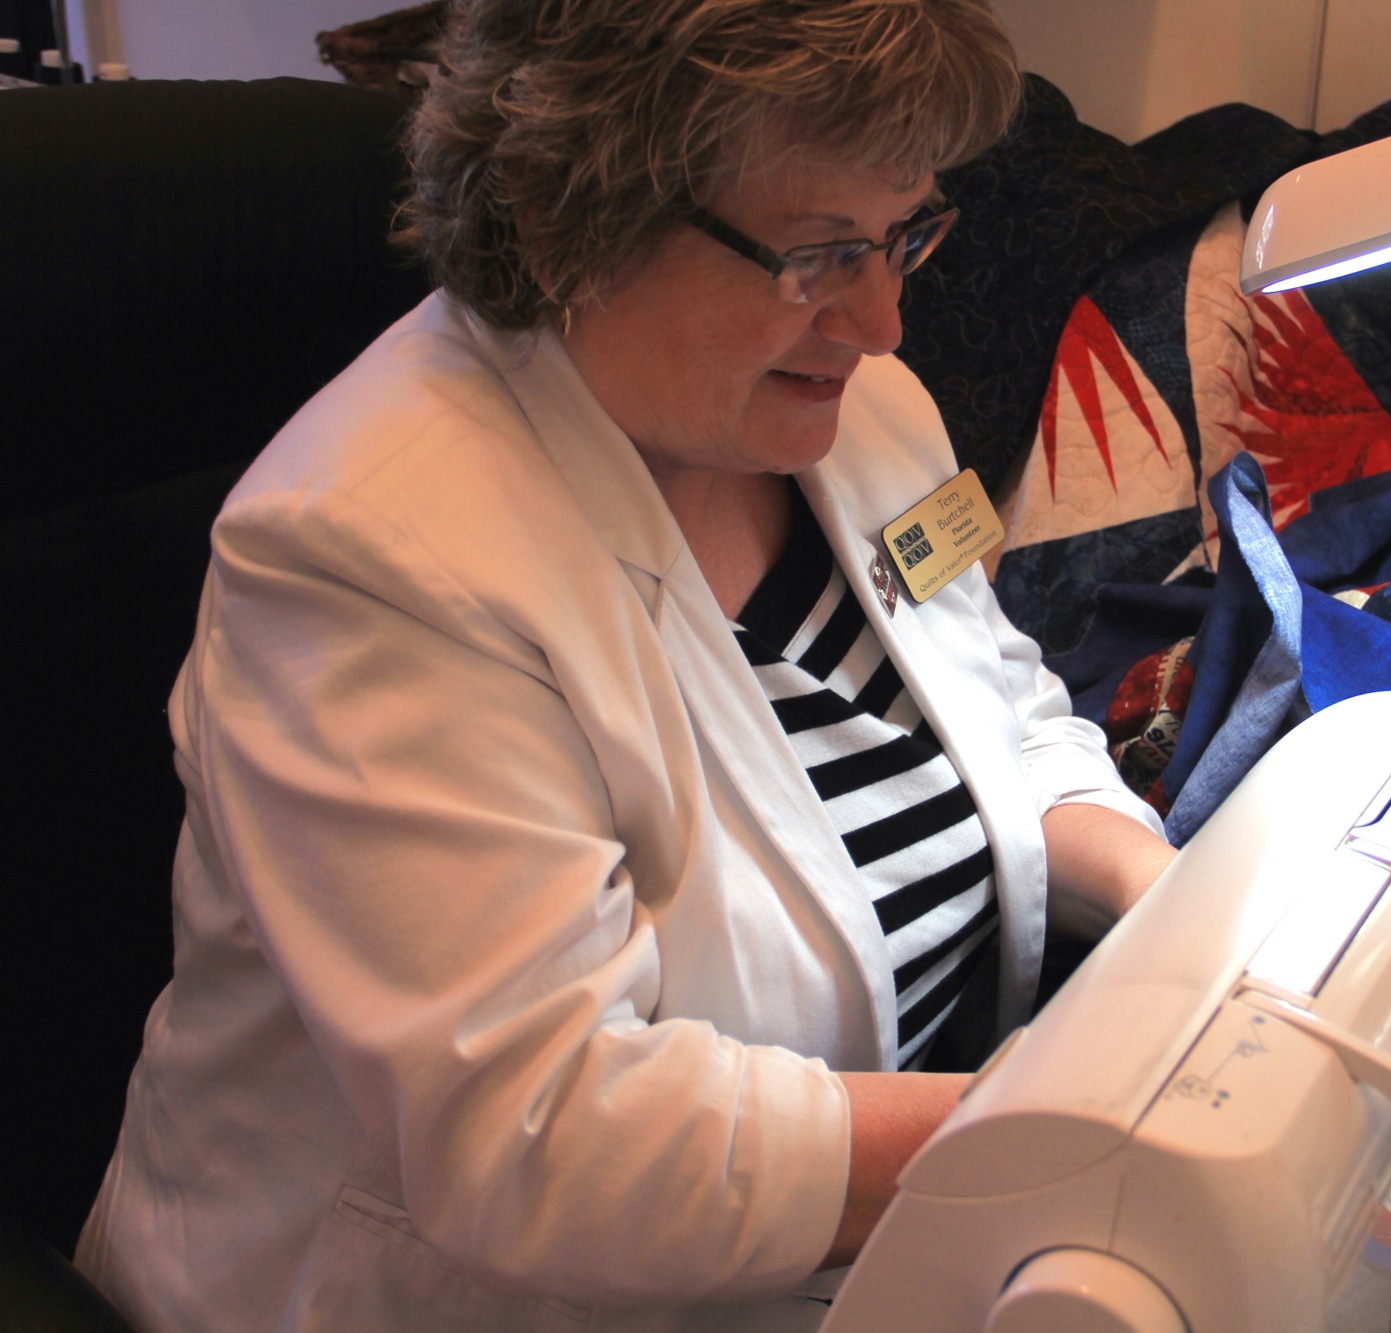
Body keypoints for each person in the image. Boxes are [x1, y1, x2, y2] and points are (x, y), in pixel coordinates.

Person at [74, 1, 1175, 1329]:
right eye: (820, 254)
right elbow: (549, 1140)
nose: (883, 318)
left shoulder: (855, 410)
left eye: (907, 234)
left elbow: (1006, 706)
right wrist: (1065, 1133)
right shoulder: (369, 558)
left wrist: (1174, 907)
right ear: (566, 225)